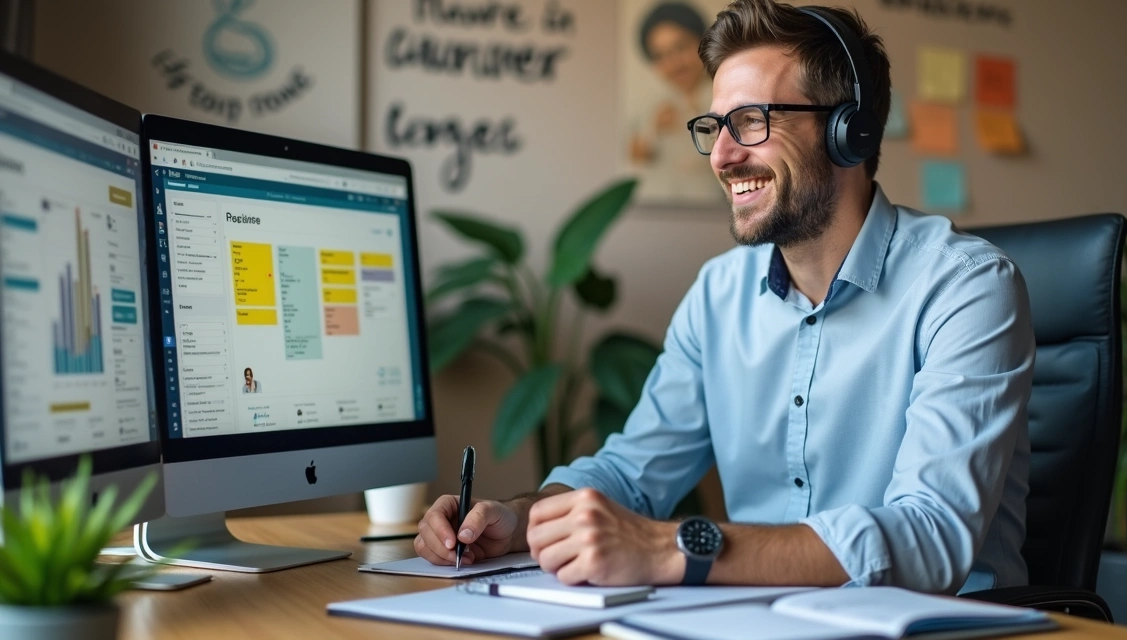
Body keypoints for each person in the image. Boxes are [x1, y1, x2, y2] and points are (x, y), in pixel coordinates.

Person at [416, 0, 1033, 595]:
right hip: (759, 619)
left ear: (849, 131)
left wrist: (671, 548)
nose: (722, 155)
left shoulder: (966, 287)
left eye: (751, 123)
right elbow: (634, 472)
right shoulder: (718, 294)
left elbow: (930, 536)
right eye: (713, 127)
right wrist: (522, 519)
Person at [627, 1, 723, 204]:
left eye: (680, 47)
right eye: (660, 56)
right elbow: (636, 158)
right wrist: (653, 129)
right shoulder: (653, 104)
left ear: (702, 41)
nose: (674, 63)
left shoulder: (725, 94)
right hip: (668, 209)